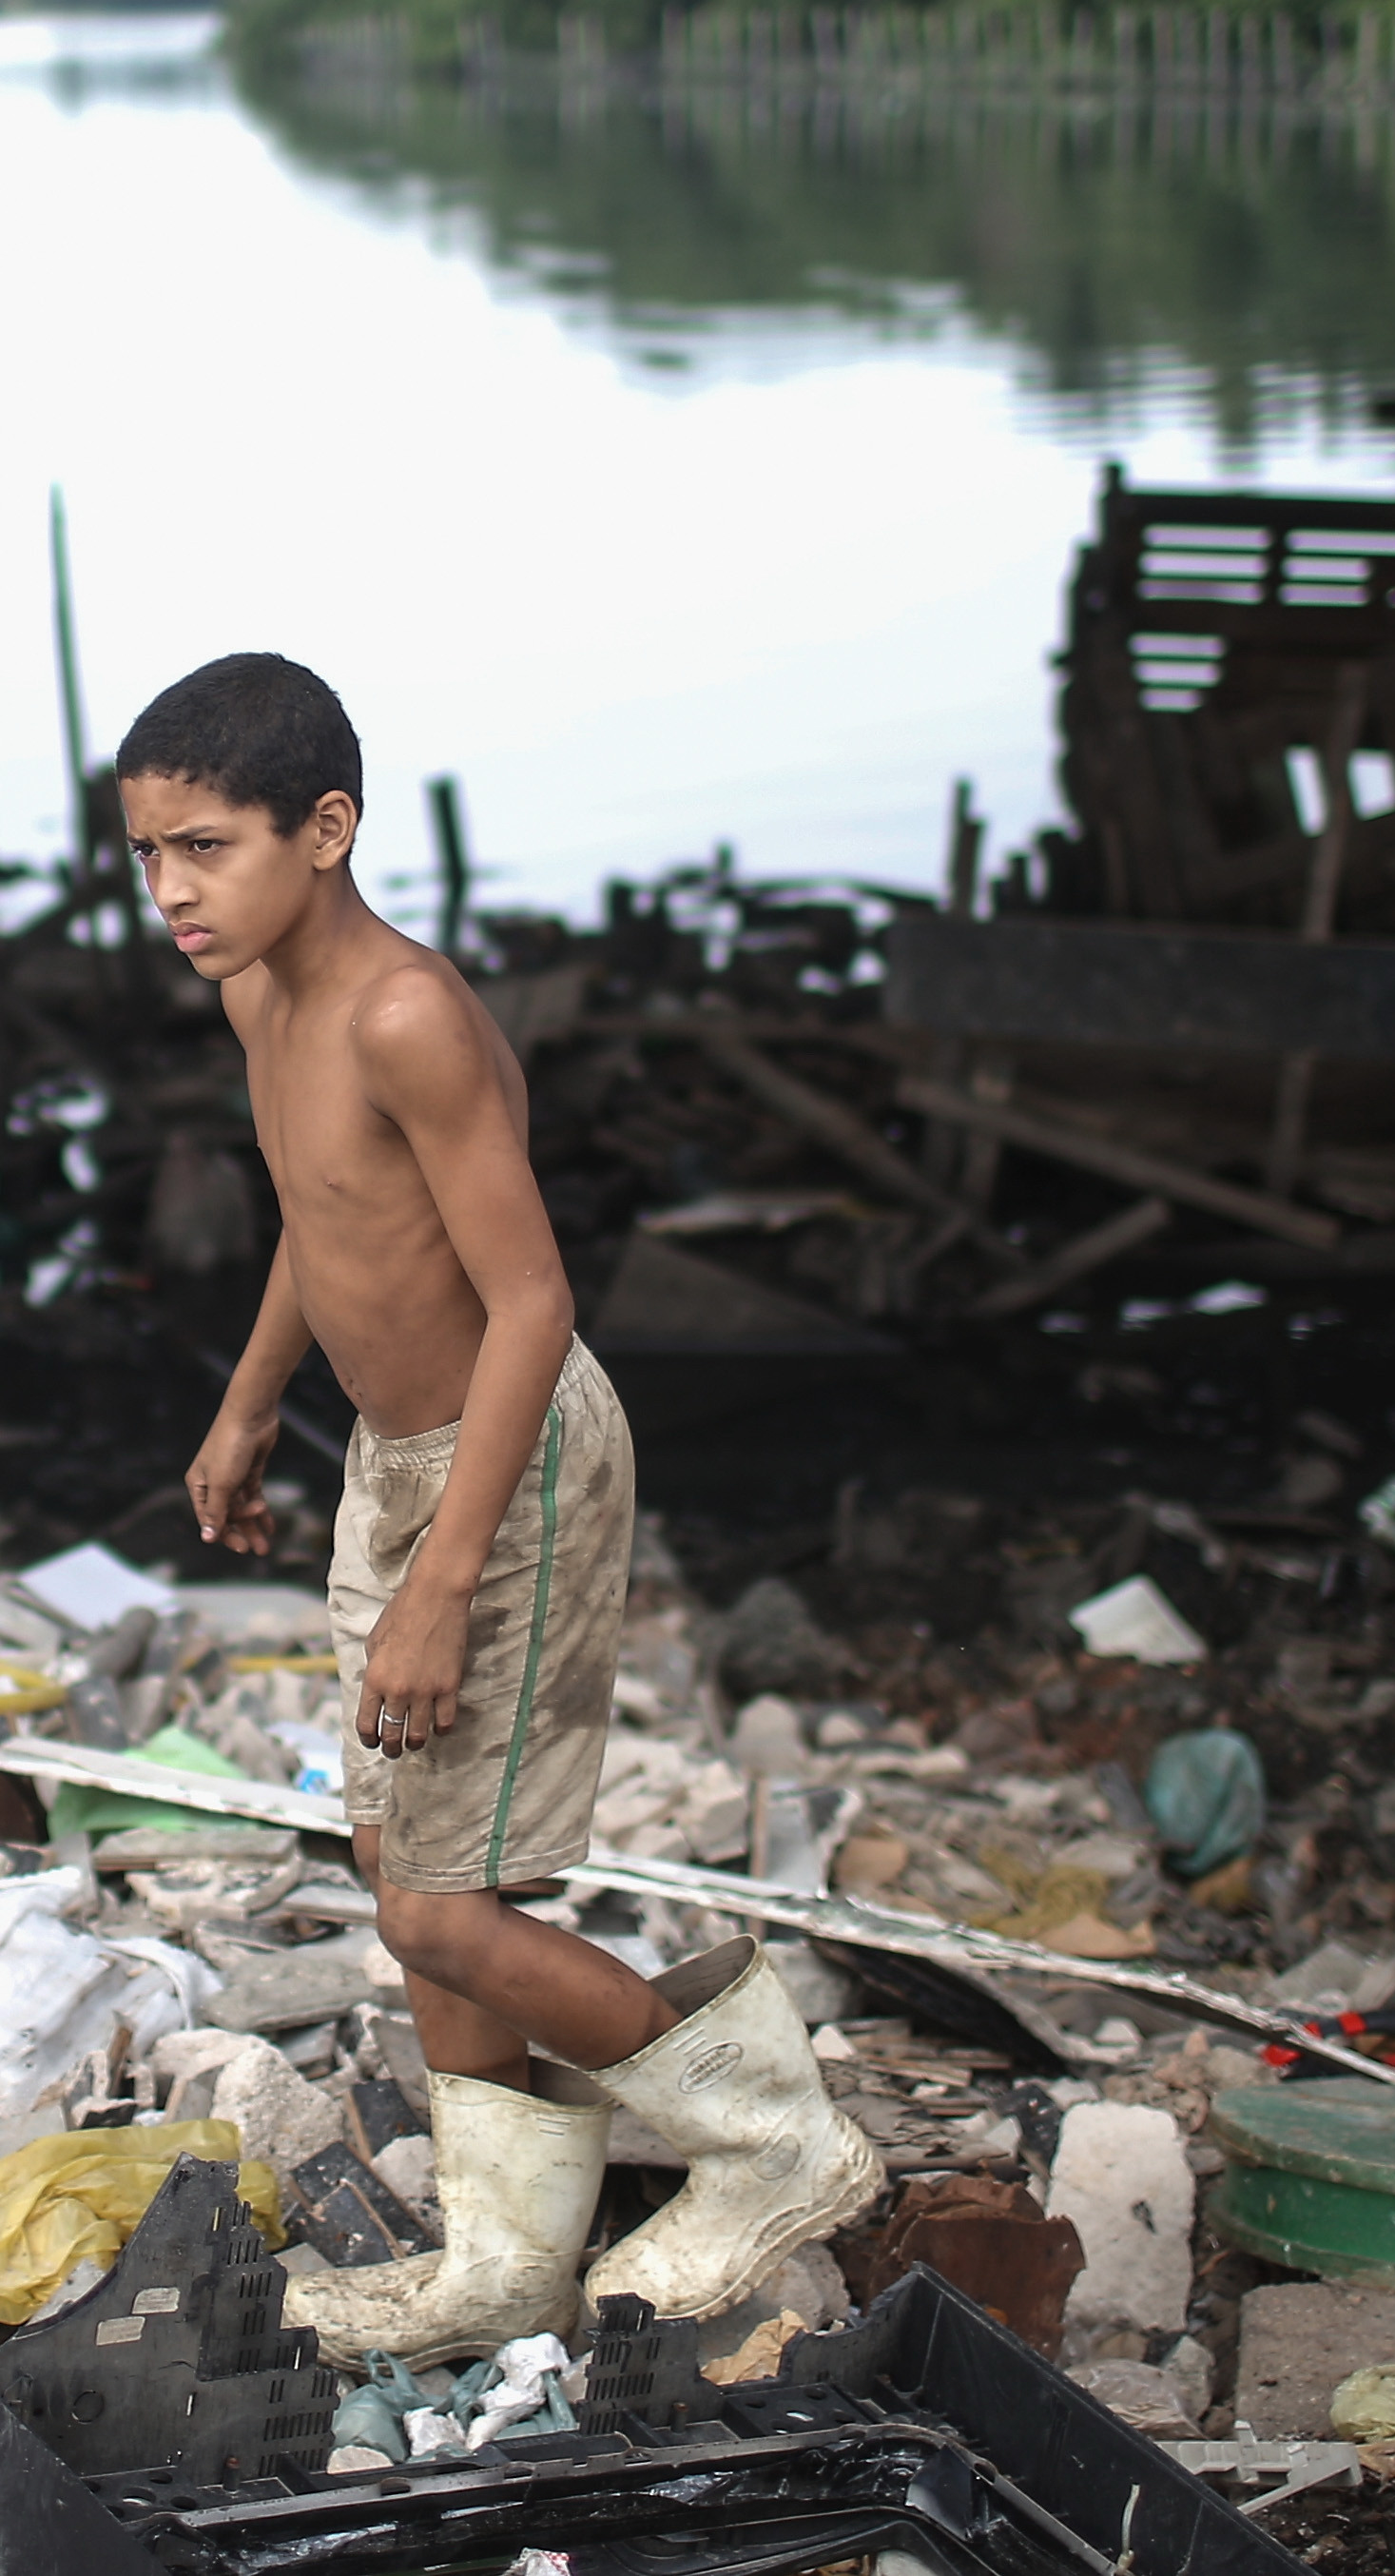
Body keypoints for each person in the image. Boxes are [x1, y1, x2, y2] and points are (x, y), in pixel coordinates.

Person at [111, 652, 882, 2367]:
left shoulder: (408, 1015)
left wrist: (445, 1583)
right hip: (390, 1459)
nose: (170, 891)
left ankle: (777, 2139)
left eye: (205, 848)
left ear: (326, 829)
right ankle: (506, 2266)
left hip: (512, 1463)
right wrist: (249, 1403)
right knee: (403, 1859)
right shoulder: (259, 999)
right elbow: (324, 1217)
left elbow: (532, 1300)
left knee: (440, 1909)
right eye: (147, 853)